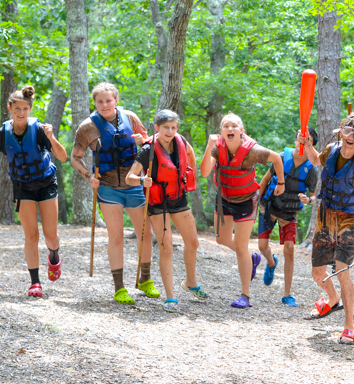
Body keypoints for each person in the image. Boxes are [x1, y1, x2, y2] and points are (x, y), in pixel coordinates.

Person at [299, 112, 354, 345]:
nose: (351, 137)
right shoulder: (331, 149)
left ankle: (349, 327)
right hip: (326, 216)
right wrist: (307, 144)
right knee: (317, 273)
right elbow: (316, 160)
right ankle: (332, 298)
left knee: (341, 269)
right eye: (348, 131)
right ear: (342, 131)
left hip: (351, 219)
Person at [71, 82, 157, 305]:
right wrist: (88, 177)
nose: (105, 105)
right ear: (95, 103)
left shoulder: (130, 117)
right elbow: (75, 157)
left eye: (109, 100)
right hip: (108, 187)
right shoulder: (87, 127)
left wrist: (142, 141)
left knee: (145, 234)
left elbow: (149, 143)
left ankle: (145, 280)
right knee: (116, 236)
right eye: (100, 101)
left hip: (134, 184)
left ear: (116, 100)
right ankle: (119, 288)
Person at [126, 109, 208, 313]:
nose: (170, 131)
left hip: (178, 197)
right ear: (157, 128)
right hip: (157, 202)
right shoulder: (148, 151)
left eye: (173, 127)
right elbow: (129, 177)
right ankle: (171, 297)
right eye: (165, 128)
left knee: (193, 242)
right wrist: (141, 180)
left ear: (176, 128)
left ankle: (191, 282)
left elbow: (190, 154)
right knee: (167, 248)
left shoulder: (180, 141)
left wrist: (192, 176)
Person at [200, 112, 285, 309]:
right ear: (221, 131)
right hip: (224, 198)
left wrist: (281, 182)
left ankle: (245, 295)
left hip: (246, 200)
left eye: (234, 126)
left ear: (241, 131)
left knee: (240, 247)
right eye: (226, 126)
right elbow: (205, 172)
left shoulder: (253, 150)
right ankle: (252, 258)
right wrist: (208, 145)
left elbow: (277, 159)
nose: (230, 129)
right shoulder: (216, 147)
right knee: (221, 239)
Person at [1, 86, 67, 297]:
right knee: (31, 235)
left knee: (50, 235)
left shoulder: (38, 130)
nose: (21, 113)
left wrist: (51, 136)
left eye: (25, 109)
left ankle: (54, 255)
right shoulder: (3, 134)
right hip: (23, 187)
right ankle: (35, 282)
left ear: (30, 110)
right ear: (9, 109)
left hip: (46, 183)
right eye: (17, 109)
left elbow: (63, 156)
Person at [255, 129, 319, 307]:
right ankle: (271, 262)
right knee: (262, 246)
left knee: (290, 249)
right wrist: (258, 203)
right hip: (270, 208)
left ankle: (287, 294)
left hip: (289, 214)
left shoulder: (311, 170)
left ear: (312, 146)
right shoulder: (281, 157)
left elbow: (314, 196)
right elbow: (265, 180)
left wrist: (309, 200)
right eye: (301, 138)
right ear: (296, 139)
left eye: (308, 141)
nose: (303, 142)